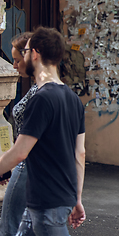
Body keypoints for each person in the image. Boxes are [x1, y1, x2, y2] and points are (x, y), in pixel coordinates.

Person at [0, 27, 86, 236]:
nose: (23, 57)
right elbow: (80, 153)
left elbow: (20, 152)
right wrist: (77, 198)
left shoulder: (41, 99)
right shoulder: (73, 99)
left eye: (26, 52)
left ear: (35, 53)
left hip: (47, 199)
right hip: (60, 197)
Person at [0, 33, 37, 236]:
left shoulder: (41, 94)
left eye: (16, 60)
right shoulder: (42, 90)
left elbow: (24, 146)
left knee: (11, 228)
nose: (14, 65)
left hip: (28, 166)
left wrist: (5, 166)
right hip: (34, 167)